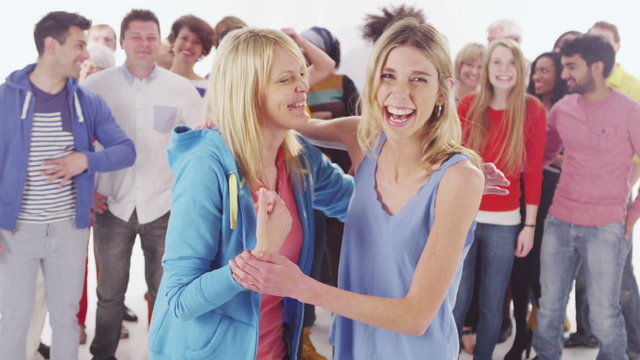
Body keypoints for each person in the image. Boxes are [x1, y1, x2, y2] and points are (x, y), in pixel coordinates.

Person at [231, 19, 487, 359]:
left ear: (443, 90)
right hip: (354, 346)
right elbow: (285, 115)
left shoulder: (459, 179)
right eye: (388, 75)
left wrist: (299, 287)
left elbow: (416, 316)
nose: (400, 93)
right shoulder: (361, 137)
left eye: (419, 79)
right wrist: (221, 116)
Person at [147, 27, 354, 360]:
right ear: (248, 91)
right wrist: (259, 257)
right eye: (286, 79)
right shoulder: (206, 168)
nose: (304, 85)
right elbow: (180, 299)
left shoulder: (299, 159)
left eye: (302, 73)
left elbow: (356, 204)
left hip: (275, 349)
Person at [0, 11, 135, 360]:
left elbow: (125, 150)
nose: (85, 54)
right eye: (78, 44)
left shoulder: (87, 102)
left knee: (65, 319)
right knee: (14, 320)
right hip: (15, 232)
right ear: (51, 45)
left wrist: (86, 160)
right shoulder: (5, 99)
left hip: (69, 231)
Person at [81, 9, 203, 360]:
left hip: (164, 206)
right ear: (122, 42)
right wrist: (86, 191)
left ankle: (165, 353)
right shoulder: (95, 88)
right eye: (136, 36)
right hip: (111, 206)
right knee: (109, 294)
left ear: (159, 40)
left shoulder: (180, 90)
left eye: (151, 36)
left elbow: (199, 147)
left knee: (164, 292)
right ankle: (102, 354)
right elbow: (78, 145)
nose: (144, 43)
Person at [533, 34, 640, 360]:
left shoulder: (630, 111)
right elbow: (544, 154)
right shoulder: (563, 109)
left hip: (606, 226)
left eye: (570, 67)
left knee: (604, 315)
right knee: (550, 307)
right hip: (560, 222)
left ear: (596, 67)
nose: (564, 75)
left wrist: (633, 212)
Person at [452, 38, 546, 360]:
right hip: (464, 217)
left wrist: (529, 225)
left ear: (521, 69)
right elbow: (455, 164)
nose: (503, 70)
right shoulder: (467, 107)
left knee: (493, 305)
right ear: (487, 67)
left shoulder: (533, 111)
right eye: (497, 62)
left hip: (506, 222)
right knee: (457, 300)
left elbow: (533, 172)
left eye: (510, 63)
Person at [504, 51, 568, 360]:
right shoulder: (524, 106)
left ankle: (544, 337)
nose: (538, 76)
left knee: (545, 272)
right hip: (521, 192)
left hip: (554, 195)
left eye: (545, 70)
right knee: (519, 266)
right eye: (536, 71)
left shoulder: (567, 109)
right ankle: (521, 335)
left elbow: (573, 158)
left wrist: (541, 154)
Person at [167, 14, 214, 96]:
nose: (188, 45)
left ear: (203, 50)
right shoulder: (155, 82)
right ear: (174, 40)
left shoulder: (208, 90)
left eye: (196, 42)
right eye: (184, 38)